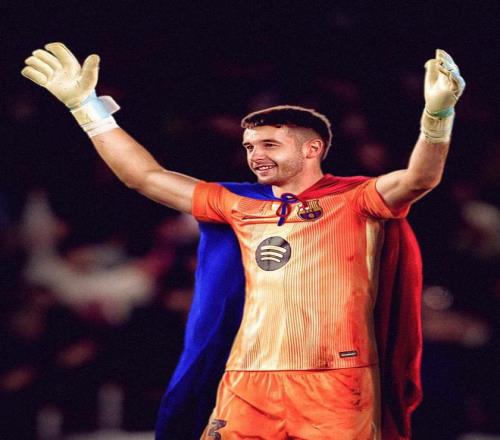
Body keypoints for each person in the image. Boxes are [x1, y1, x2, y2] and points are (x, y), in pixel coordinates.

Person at [22, 42, 465, 439]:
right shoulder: (236, 203)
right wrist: (87, 108)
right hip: (248, 378)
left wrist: (437, 116)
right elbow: (145, 177)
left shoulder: (356, 199)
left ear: (312, 149)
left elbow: (418, 179)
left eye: (270, 145)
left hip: (333, 380)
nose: (256, 156)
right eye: (251, 146)